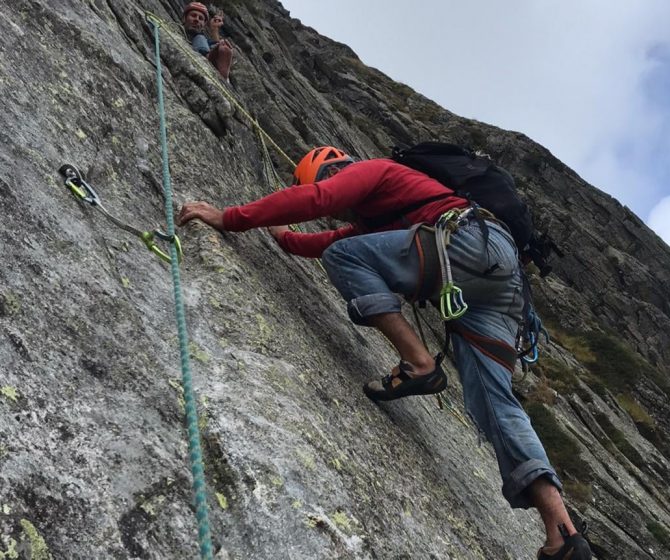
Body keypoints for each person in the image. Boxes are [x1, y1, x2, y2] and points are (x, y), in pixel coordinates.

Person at [176, 146, 592, 560]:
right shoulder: (377, 220)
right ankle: (563, 536)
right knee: (497, 406)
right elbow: (312, 243)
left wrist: (229, 217)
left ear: (332, 169)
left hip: (467, 243)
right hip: (502, 282)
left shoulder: (376, 172)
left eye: (326, 180)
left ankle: (419, 362)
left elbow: (320, 202)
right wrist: (276, 229)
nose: (337, 212)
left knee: (345, 257)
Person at [182, 2, 233, 81]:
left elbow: (215, 44)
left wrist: (214, 29)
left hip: (205, 56)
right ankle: (210, 59)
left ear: (203, 24)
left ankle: (215, 62)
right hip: (203, 58)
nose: (197, 19)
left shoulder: (204, 40)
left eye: (200, 18)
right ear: (184, 18)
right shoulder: (175, 29)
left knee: (220, 46)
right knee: (200, 37)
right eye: (193, 15)